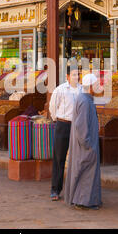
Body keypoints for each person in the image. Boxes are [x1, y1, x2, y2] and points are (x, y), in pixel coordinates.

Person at [64, 73, 102, 210]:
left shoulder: (84, 99)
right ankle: (83, 201)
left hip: (84, 144)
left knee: (83, 172)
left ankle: (84, 200)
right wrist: (88, 145)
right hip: (85, 146)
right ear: (91, 87)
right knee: (86, 172)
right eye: (96, 85)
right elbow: (81, 127)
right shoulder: (85, 101)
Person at [49, 65, 82, 201]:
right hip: (62, 125)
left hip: (77, 126)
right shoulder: (60, 90)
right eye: (73, 74)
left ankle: (75, 190)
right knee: (59, 158)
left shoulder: (82, 90)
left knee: (77, 158)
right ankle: (55, 190)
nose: (76, 77)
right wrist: (58, 120)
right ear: (67, 76)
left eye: (77, 74)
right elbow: (52, 107)